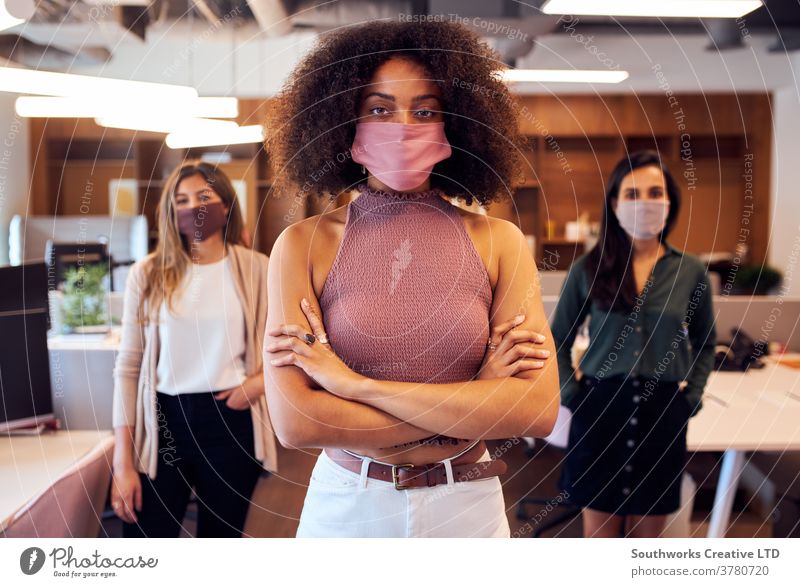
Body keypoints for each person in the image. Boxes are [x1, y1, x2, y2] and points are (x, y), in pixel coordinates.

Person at [262, 19, 560, 538]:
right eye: (379, 109)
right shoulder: (302, 246)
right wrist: (475, 401)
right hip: (348, 507)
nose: (402, 126)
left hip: (466, 508)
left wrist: (353, 387)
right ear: (343, 121)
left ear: (456, 124)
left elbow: (535, 411)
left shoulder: (500, 242)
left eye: (424, 110)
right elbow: (296, 422)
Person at [551, 150, 717, 538]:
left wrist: (690, 398)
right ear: (614, 202)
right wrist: (572, 395)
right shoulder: (589, 268)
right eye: (632, 193)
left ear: (669, 201)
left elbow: (706, 343)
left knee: (648, 540)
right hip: (599, 410)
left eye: (655, 192)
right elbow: (557, 338)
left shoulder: (690, 271)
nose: (644, 202)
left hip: (663, 414)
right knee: (601, 535)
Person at [110, 160, 279, 537]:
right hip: (163, 419)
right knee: (147, 539)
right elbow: (128, 367)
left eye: (204, 196)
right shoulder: (148, 274)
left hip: (230, 418)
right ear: (171, 212)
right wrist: (123, 461)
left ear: (225, 203)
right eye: (181, 200)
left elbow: (286, 348)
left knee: (220, 541)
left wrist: (255, 386)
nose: (193, 208)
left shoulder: (257, 268)